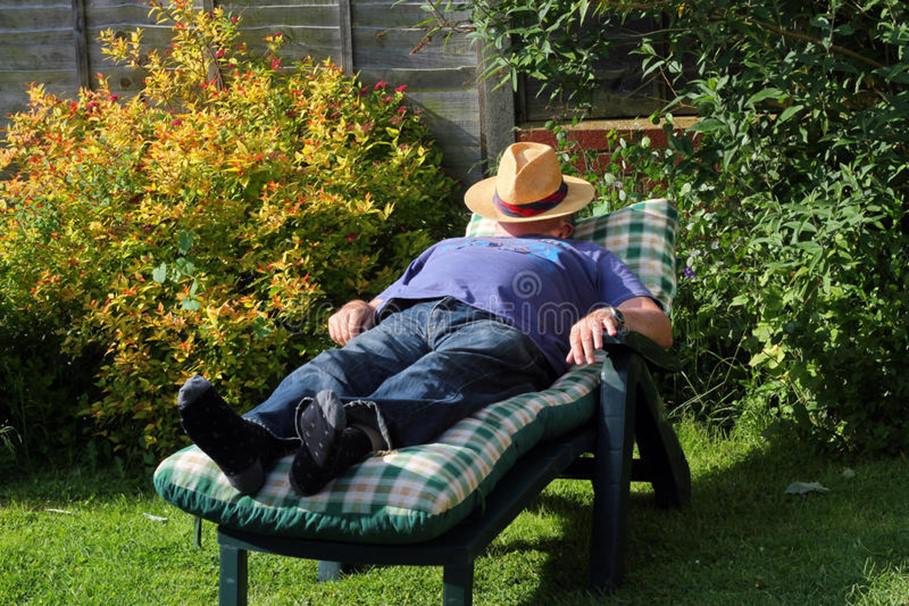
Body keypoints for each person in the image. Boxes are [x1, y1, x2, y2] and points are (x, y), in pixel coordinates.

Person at [177, 142, 672, 496]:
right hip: (409, 320)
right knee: (335, 368)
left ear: (564, 223)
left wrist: (607, 315)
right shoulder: (450, 245)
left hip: (504, 332)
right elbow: (376, 303)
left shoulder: (582, 255)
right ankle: (250, 443)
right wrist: (356, 307)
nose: (506, 227)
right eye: (505, 216)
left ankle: (345, 441)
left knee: (443, 376)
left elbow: (655, 323)